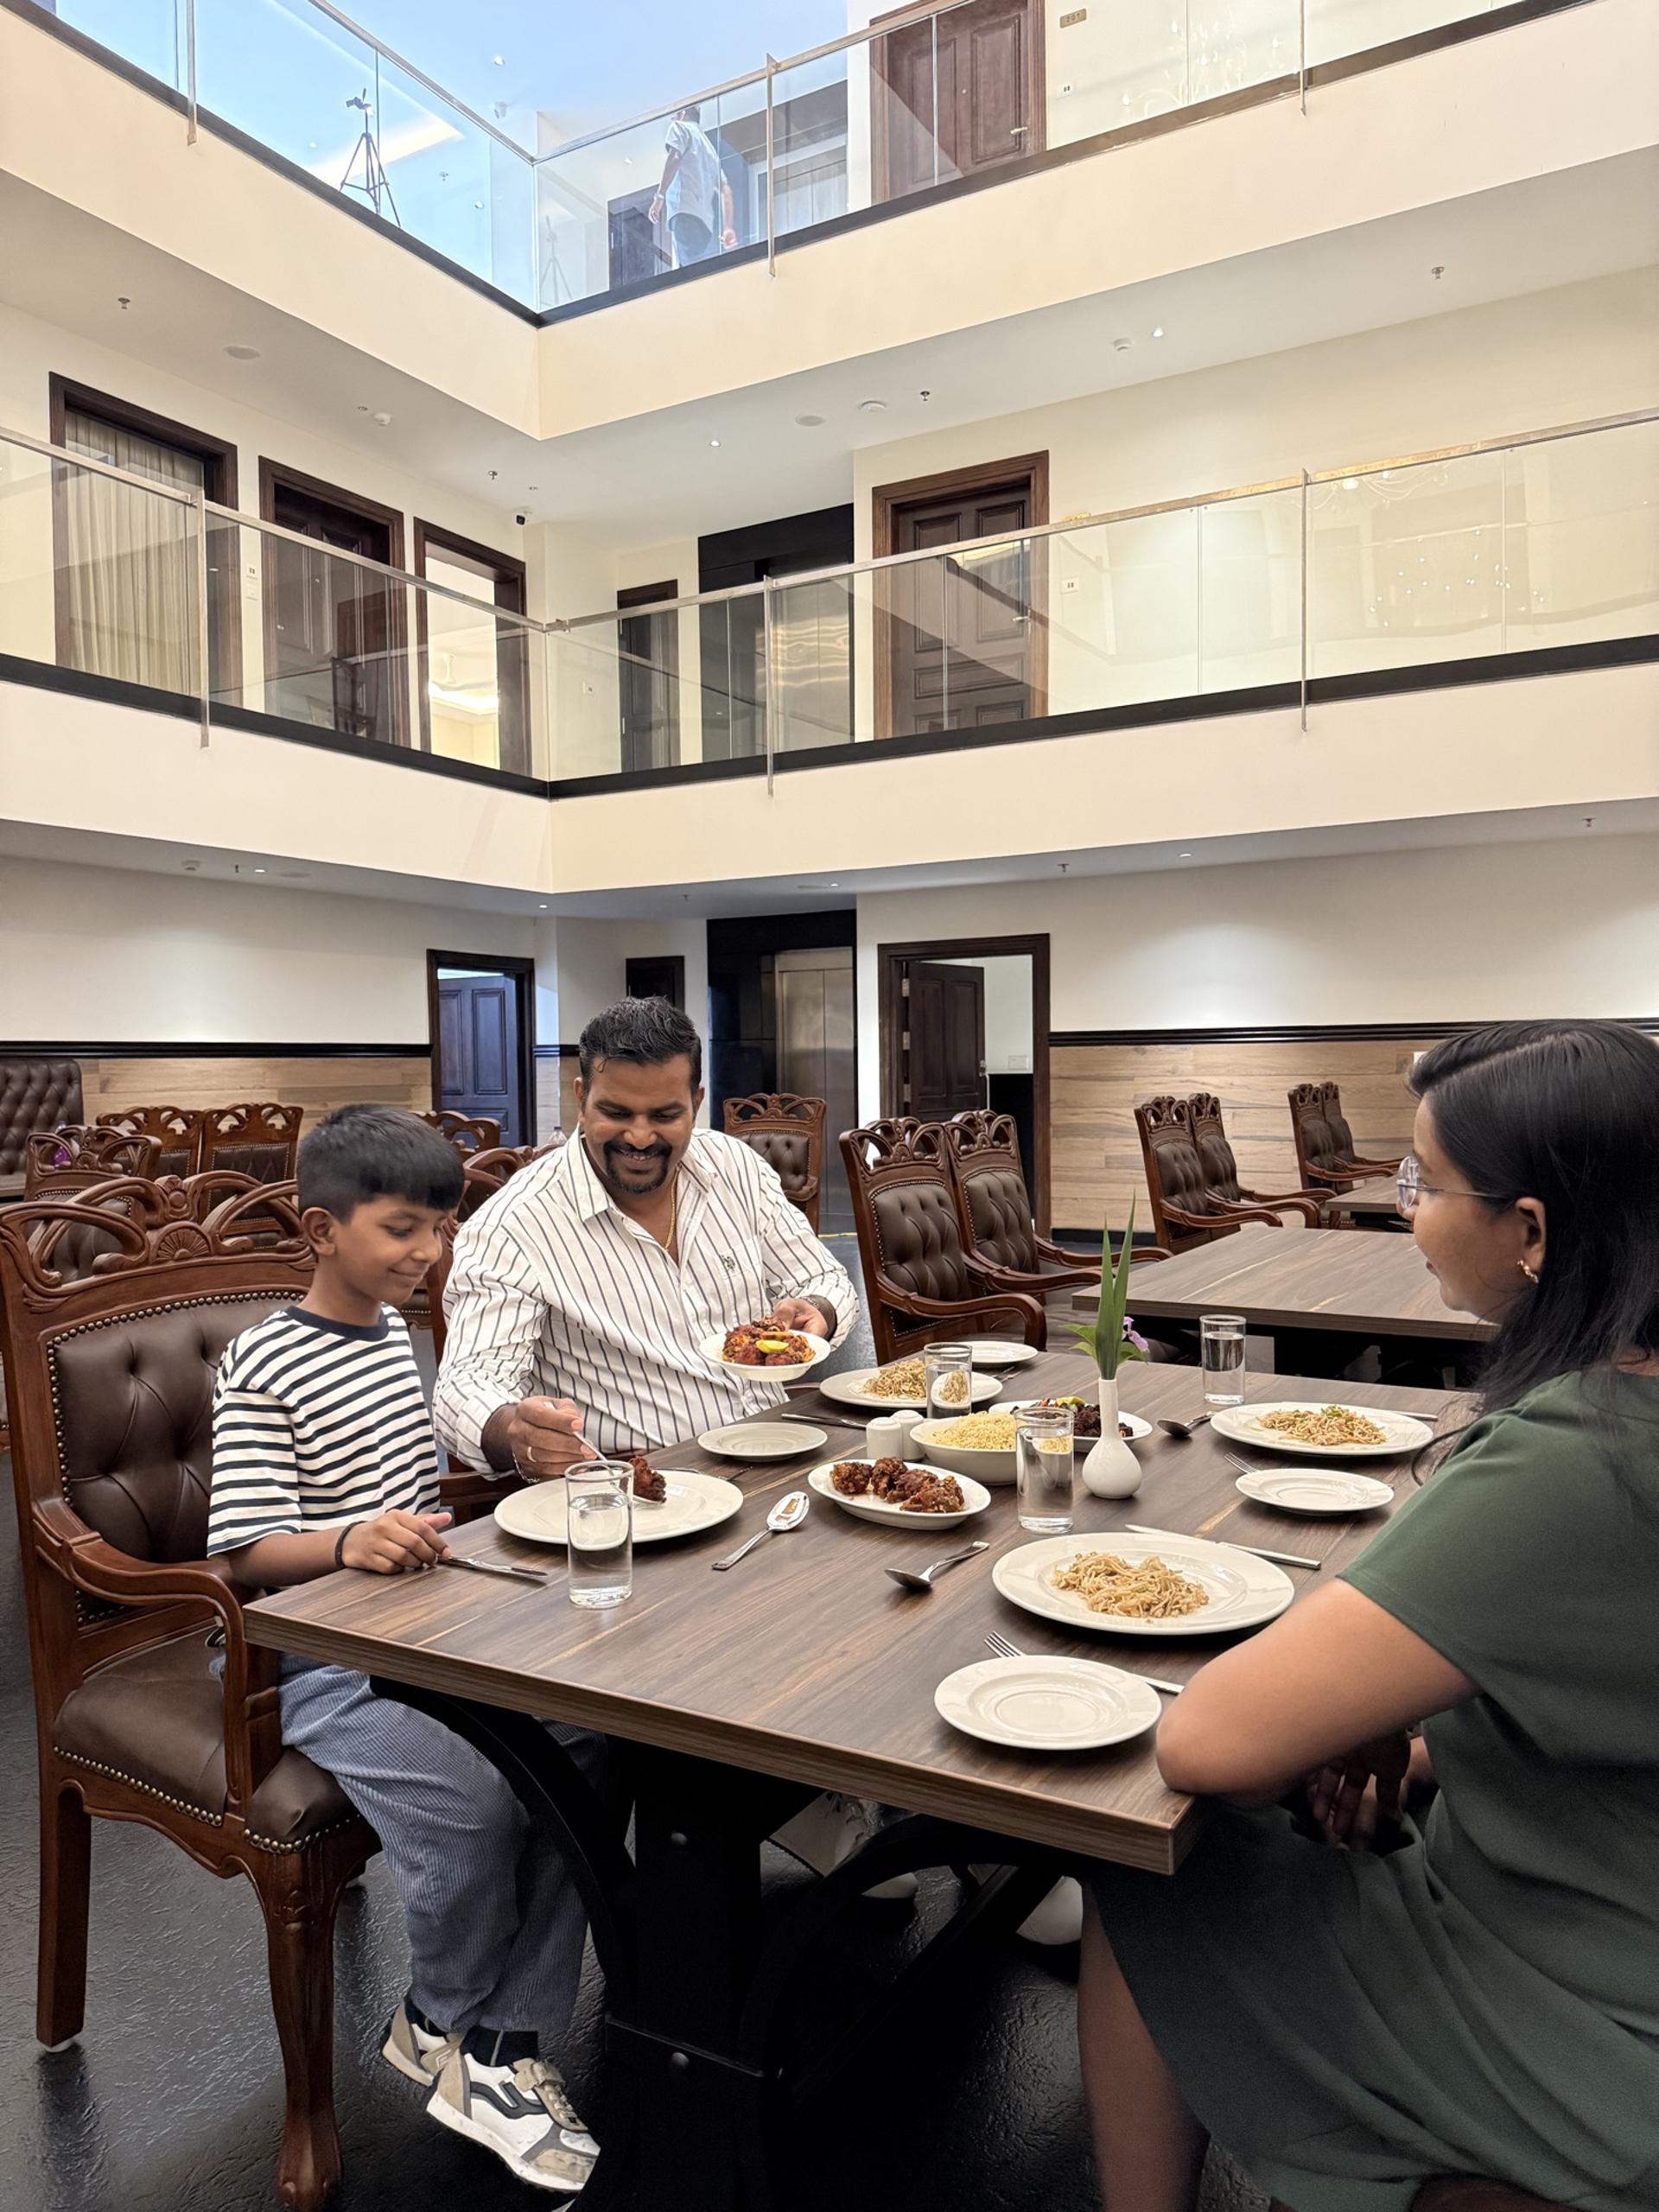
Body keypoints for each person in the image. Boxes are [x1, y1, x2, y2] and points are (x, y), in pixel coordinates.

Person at [1077, 1020, 1659, 2212]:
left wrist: (1358, 1708)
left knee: (1146, 1859)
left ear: (1532, 1230)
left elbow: (1210, 1742)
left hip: (1602, 2041)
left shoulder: (1579, 1460)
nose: (1407, 1212)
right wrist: (1421, 1739)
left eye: (1424, 1184)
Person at [208, 1105, 604, 2197]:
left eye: (441, 1228)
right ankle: (446, 2010)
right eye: (402, 1229)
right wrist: (348, 1540)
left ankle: (494, 2037)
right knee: (472, 1802)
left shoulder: (394, 1334)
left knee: (593, 1742)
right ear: (320, 1228)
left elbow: (424, 1489)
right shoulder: (264, 1360)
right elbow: (244, 1549)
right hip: (310, 1657)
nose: (428, 1251)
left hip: (426, 1630)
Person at [432, 996, 903, 1891]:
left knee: (898, 1583)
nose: (641, 1137)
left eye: (665, 1114)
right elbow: (465, 1384)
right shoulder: (517, 1223)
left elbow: (819, 1274)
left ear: (697, 1101)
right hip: (646, 1506)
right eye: (616, 1111)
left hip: (774, 1457)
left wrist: (814, 1310)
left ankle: (865, 1786)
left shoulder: (733, 1168)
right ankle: (799, 1800)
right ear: (579, 1096)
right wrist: (510, 1431)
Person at [648, 103, 735, 267]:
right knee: (695, 268)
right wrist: (728, 227)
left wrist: (660, 196)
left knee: (687, 273)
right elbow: (726, 191)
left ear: (682, 113)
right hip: (705, 226)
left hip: (684, 212)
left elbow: (675, 156)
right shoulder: (710, 150)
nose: (673, 119)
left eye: (674, 115)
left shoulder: (680, 127)